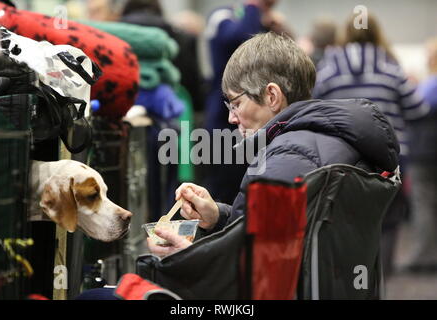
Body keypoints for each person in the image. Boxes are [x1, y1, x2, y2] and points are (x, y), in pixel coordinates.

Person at [147, 31, 400, 257]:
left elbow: (256, 267)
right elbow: (268, 235)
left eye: (236, 103)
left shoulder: (286, 159)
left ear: (272, 96)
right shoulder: (329, 140)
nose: (231, 118)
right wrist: (218, 216)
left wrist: (187, 254)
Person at [311, 12, 430, 277]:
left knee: (345, 218)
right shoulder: (390, 66)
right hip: (390, 158)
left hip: (341, 158)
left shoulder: (330, 67)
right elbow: (418, 108)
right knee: (387, 220)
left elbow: (312, 106)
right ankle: (381, 278)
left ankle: (349, 279)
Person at [203, 0, 281, 206]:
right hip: (224, 117)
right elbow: (241, 38)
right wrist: (253, 7)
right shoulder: (222, 15)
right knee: (225, 187)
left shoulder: (258, 20)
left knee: (251, 184)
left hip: (256, 119)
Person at [402, 37, 437, 273]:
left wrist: (410, 87)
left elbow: (418, 107)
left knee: (423, 204)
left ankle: (424, 257)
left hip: (425, 153)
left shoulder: (432, 83)